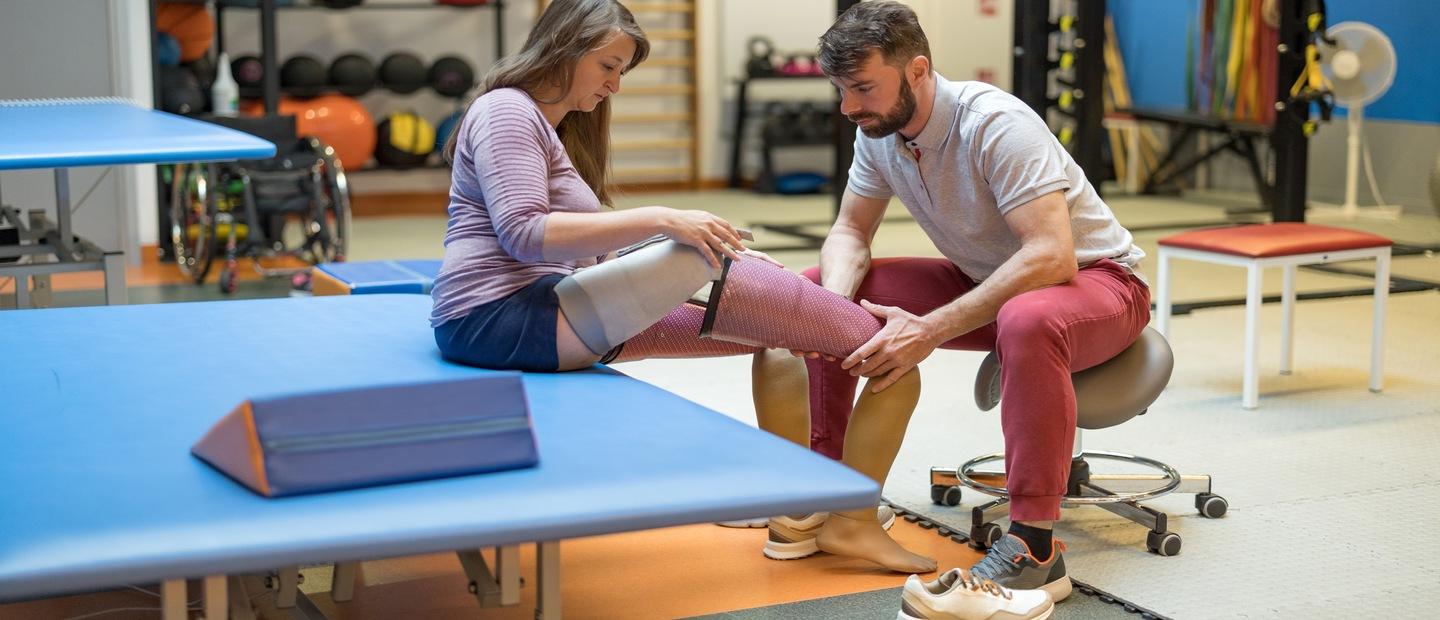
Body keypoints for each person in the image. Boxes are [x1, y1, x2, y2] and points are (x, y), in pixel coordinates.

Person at [428, 0, 935, 573]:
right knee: (885, 348)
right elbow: (524, 234)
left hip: (547, 313)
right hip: (504, 319)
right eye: (609, 66)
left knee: (771, 333)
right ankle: (854, 525)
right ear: (566, 46)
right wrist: (667, 221)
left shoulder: (543, 123)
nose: (615, 85)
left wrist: (726, 260)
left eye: (623, 71)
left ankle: (794, 514)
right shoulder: (506, 111)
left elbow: (592, 249)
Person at [805, 1, 1152, 605]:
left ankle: (1034, 548)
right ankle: (834, 502)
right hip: (987, 278)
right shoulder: (880, 132)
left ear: (916, 70)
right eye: (841, 91)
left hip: (1099, 284)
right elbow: (849, 234)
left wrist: (930, 329)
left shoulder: (994, 123)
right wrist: (836, 308)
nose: (849, 108)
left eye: (862, 88)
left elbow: (1050, 256)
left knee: (1026, 314)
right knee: (814, 290)